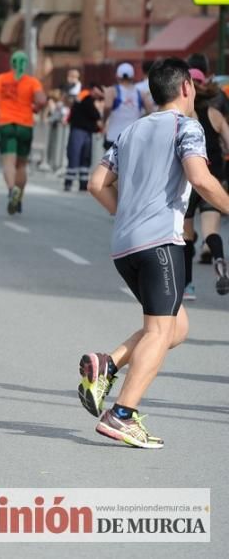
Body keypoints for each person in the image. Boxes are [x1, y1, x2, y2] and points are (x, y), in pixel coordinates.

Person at [80, 58, 229, 448]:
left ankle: (107, 364)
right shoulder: (187, 126)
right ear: (185, 88)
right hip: (160, 242)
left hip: (124, 245)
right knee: (161, 331)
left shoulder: (130, 130)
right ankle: (122, 414)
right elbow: (200, 178)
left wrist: (123, 212)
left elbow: (97, 183)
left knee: (174, 329)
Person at [181, 67, 229, 301]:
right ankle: (219, 261)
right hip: (214, 180)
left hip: (190, 181)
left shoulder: (183, 117)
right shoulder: (215, 114)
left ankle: (188, 286)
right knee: (211, 231)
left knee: (187, 234)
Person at [0, 51, 47, 215]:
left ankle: (11, 190)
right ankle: (20, 196)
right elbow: (41, 100)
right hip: (25, 125)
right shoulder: (32, 82)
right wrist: (35, 108)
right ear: (25, 64)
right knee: (22, 164)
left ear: (11, 63)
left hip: (6, 124)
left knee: (9, 162)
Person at [63, 84, 104, 192]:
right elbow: (95, 114)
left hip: (81, 130)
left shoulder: (82, 97)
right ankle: (75, 183)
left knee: (81, 157)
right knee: (79, 157)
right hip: (81, 131)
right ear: (94, 90)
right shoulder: (87, 98)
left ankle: (77, 183)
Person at [102, 62, 145, 151]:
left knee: (111, 164)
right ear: (132, 77)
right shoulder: (140, 93)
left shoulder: (112, 91)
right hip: (133, 138)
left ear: (117, 76)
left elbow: (107, 106)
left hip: (114, 137)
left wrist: (104, 121)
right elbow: (151, 111)